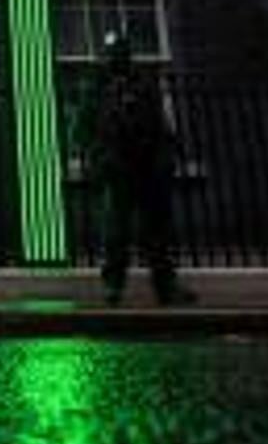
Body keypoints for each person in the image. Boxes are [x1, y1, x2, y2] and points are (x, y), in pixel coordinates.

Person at [75, 30, 197, 307]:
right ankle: (113, 287)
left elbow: (161, 125)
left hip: (148, 165)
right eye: (112, 51)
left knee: (157, 231)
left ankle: (166, 287)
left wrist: (165, 156)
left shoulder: (143, 84)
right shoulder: (94, 86)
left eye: (120, 50)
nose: (117, 55)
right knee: (116, 231)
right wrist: (100, 157)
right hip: (117, 167)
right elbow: (81, 130)